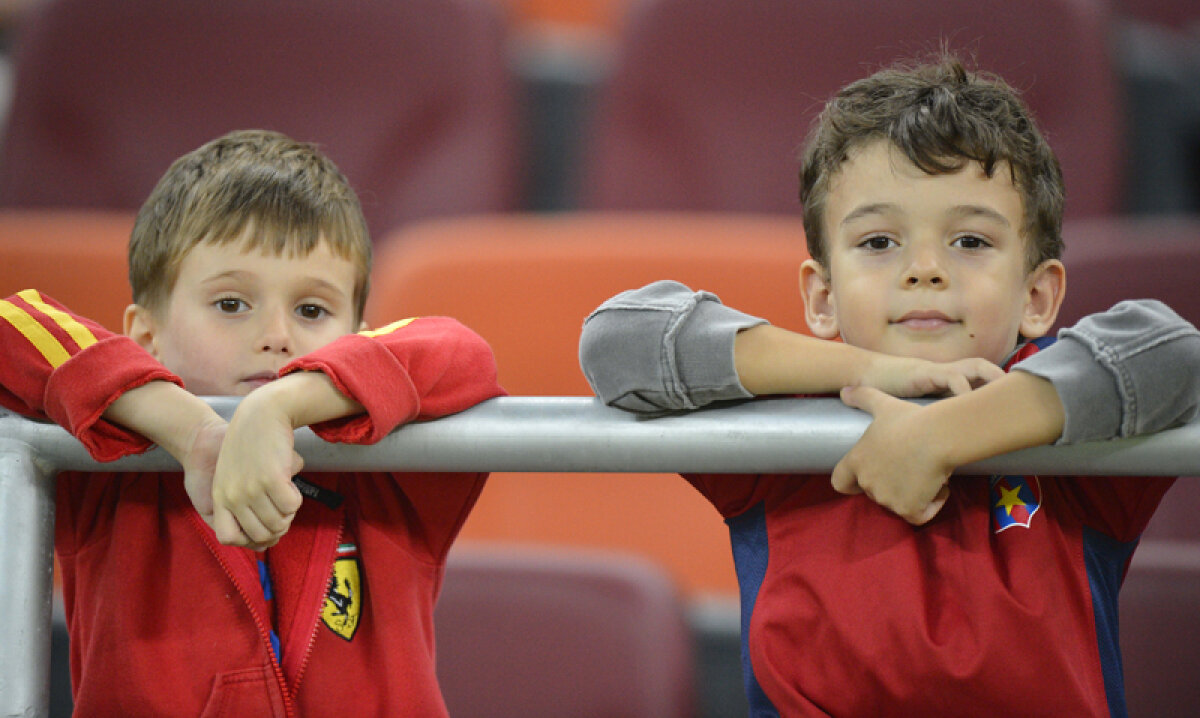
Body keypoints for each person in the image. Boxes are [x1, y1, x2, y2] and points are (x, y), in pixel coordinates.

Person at [579, 56, 1200, 716]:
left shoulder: (1066, 417)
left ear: (1038, 296)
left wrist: (943, 435)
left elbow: (1170, 350)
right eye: (878, 242)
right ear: (821, 298)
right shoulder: (783, 421)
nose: (924, 270)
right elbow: (617, 342)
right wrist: (872, 371)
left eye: (969, 240)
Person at [0, 130, 504, 715]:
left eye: (312, 310)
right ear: (145, 337)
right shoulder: (108, 452)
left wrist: (279, 405)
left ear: (358, 336)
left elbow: (462, 351)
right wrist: (193, 433)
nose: (276, 337)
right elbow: (11, 322)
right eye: (231, 303)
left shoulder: (387, 469)